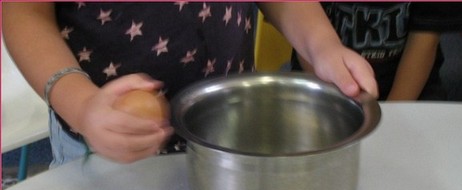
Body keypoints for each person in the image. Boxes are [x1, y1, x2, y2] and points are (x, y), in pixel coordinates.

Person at [2, 2, 378, 166]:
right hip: (107, 152)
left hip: (229, 139)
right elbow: (24, 14)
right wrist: (82, 106)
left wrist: (321, 44)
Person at [292, 2, 462, 101]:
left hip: (409, 87)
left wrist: (392, 112)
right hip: (321, 86)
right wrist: (338, 106)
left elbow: (424, 43)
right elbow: (303, 31)